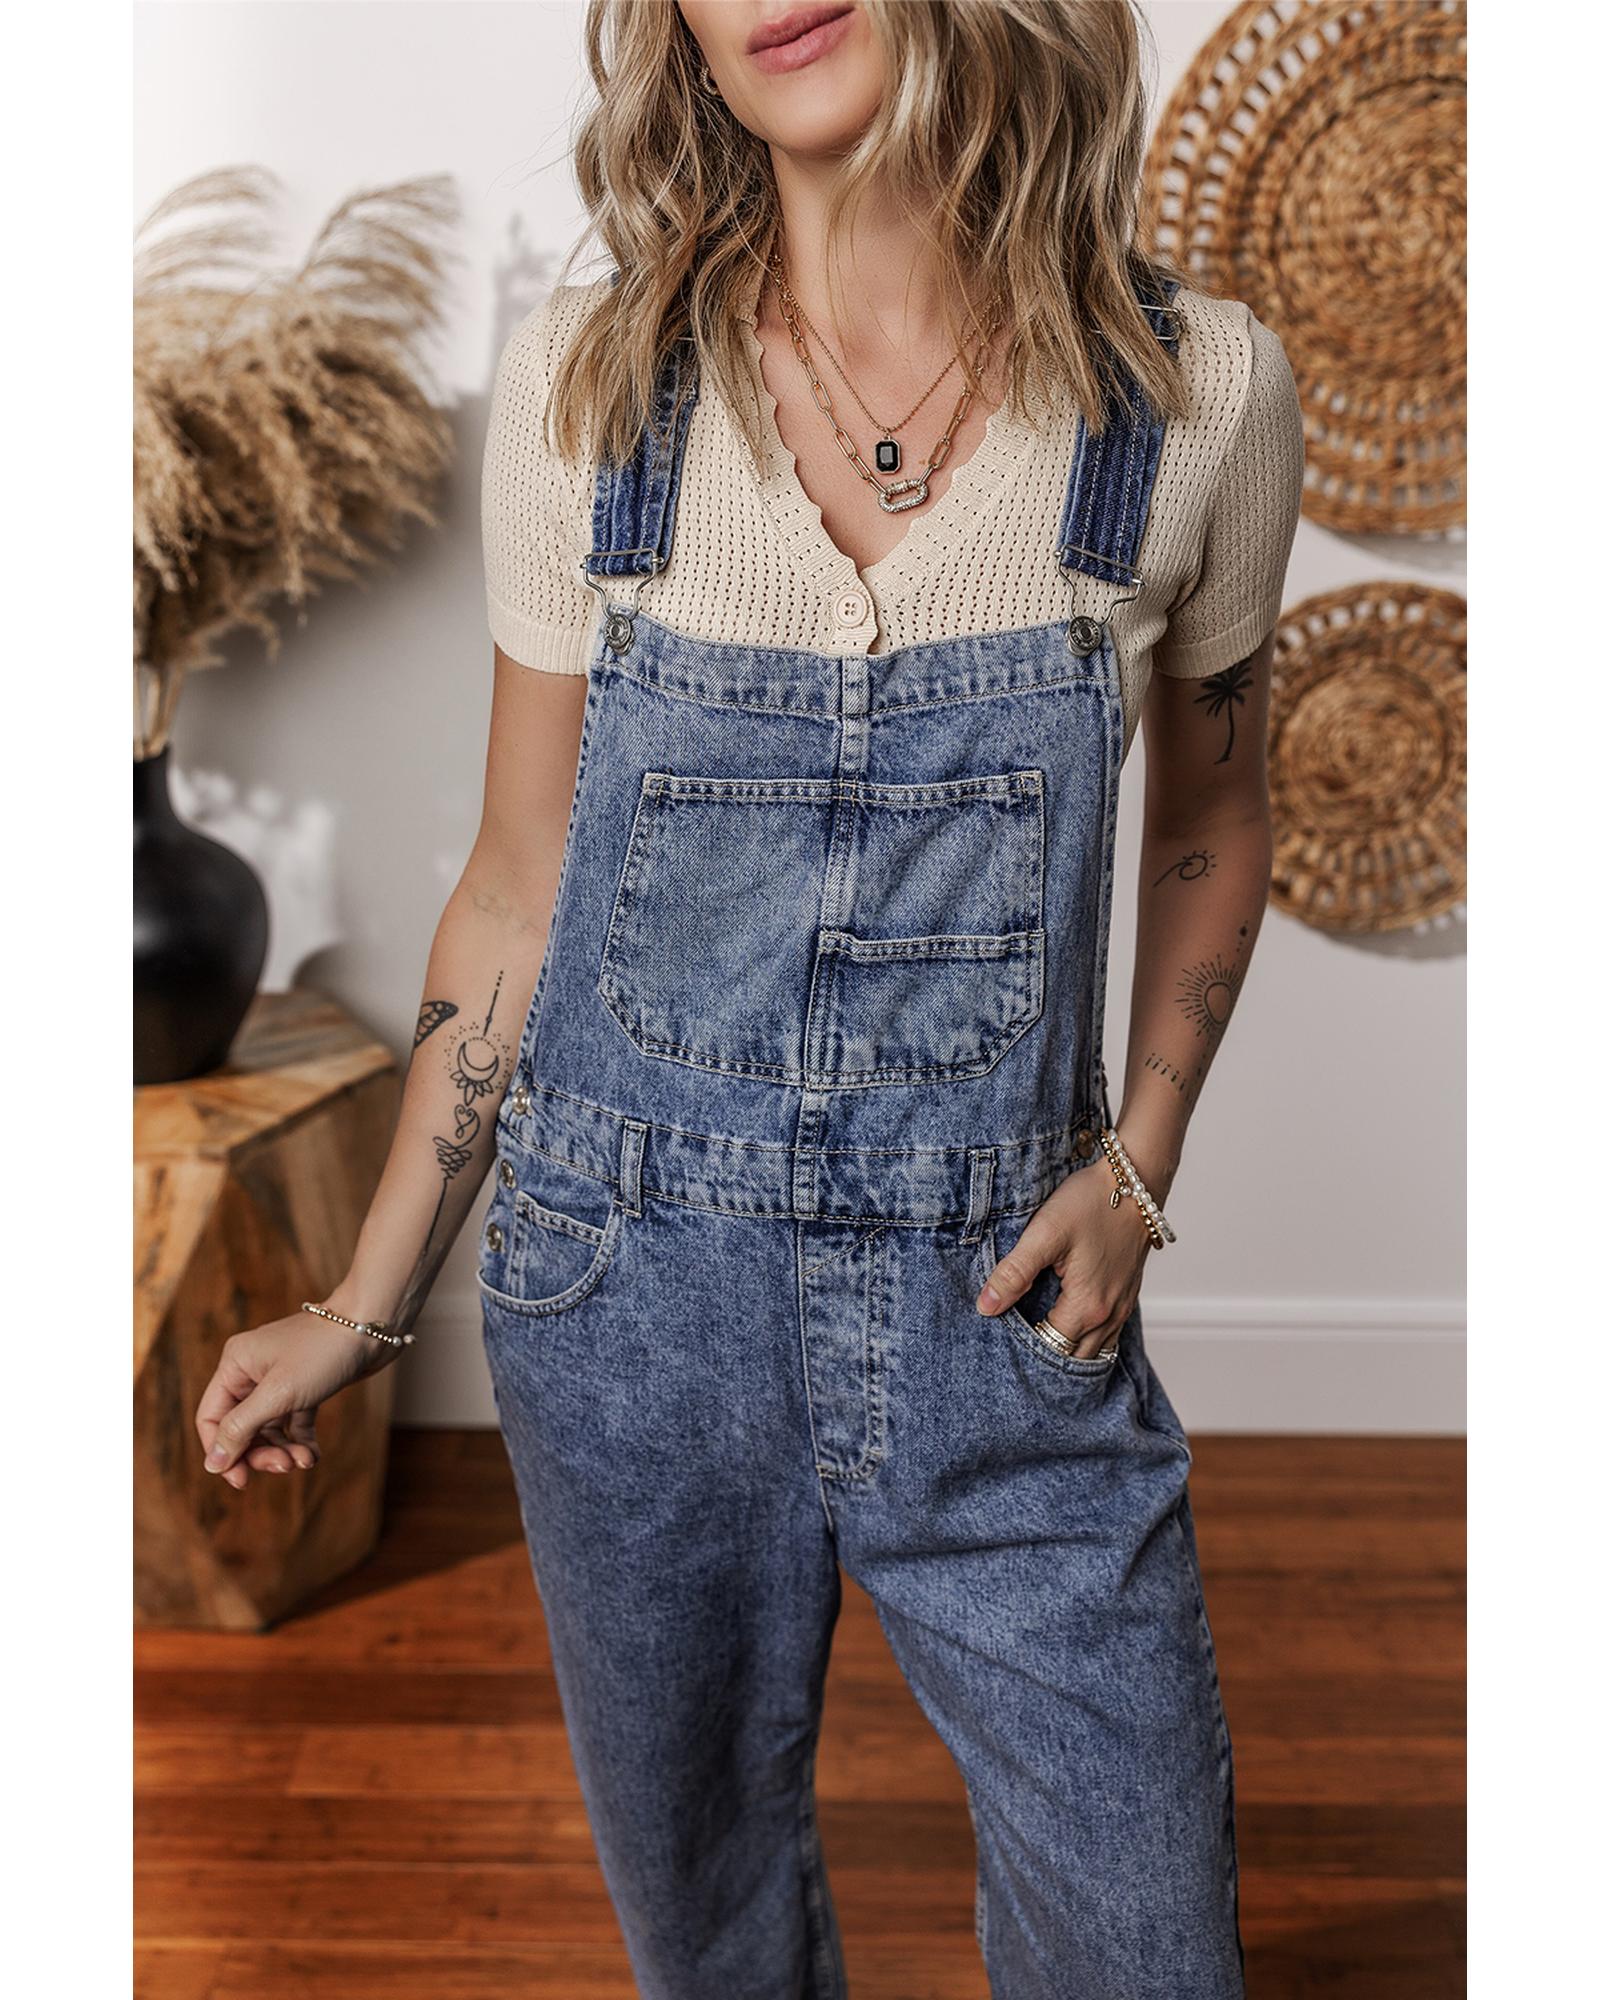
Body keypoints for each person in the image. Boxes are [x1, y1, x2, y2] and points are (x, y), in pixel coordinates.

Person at [194, 2, 1303, 1992]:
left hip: (995, 1314)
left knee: (1142, 1935)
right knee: (705, 1926)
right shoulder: (594, 387)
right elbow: (516, 879)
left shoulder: (1195, 392)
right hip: (625, 1306)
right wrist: (365, 1300)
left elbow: (1216, 813)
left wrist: (1137, 1169)